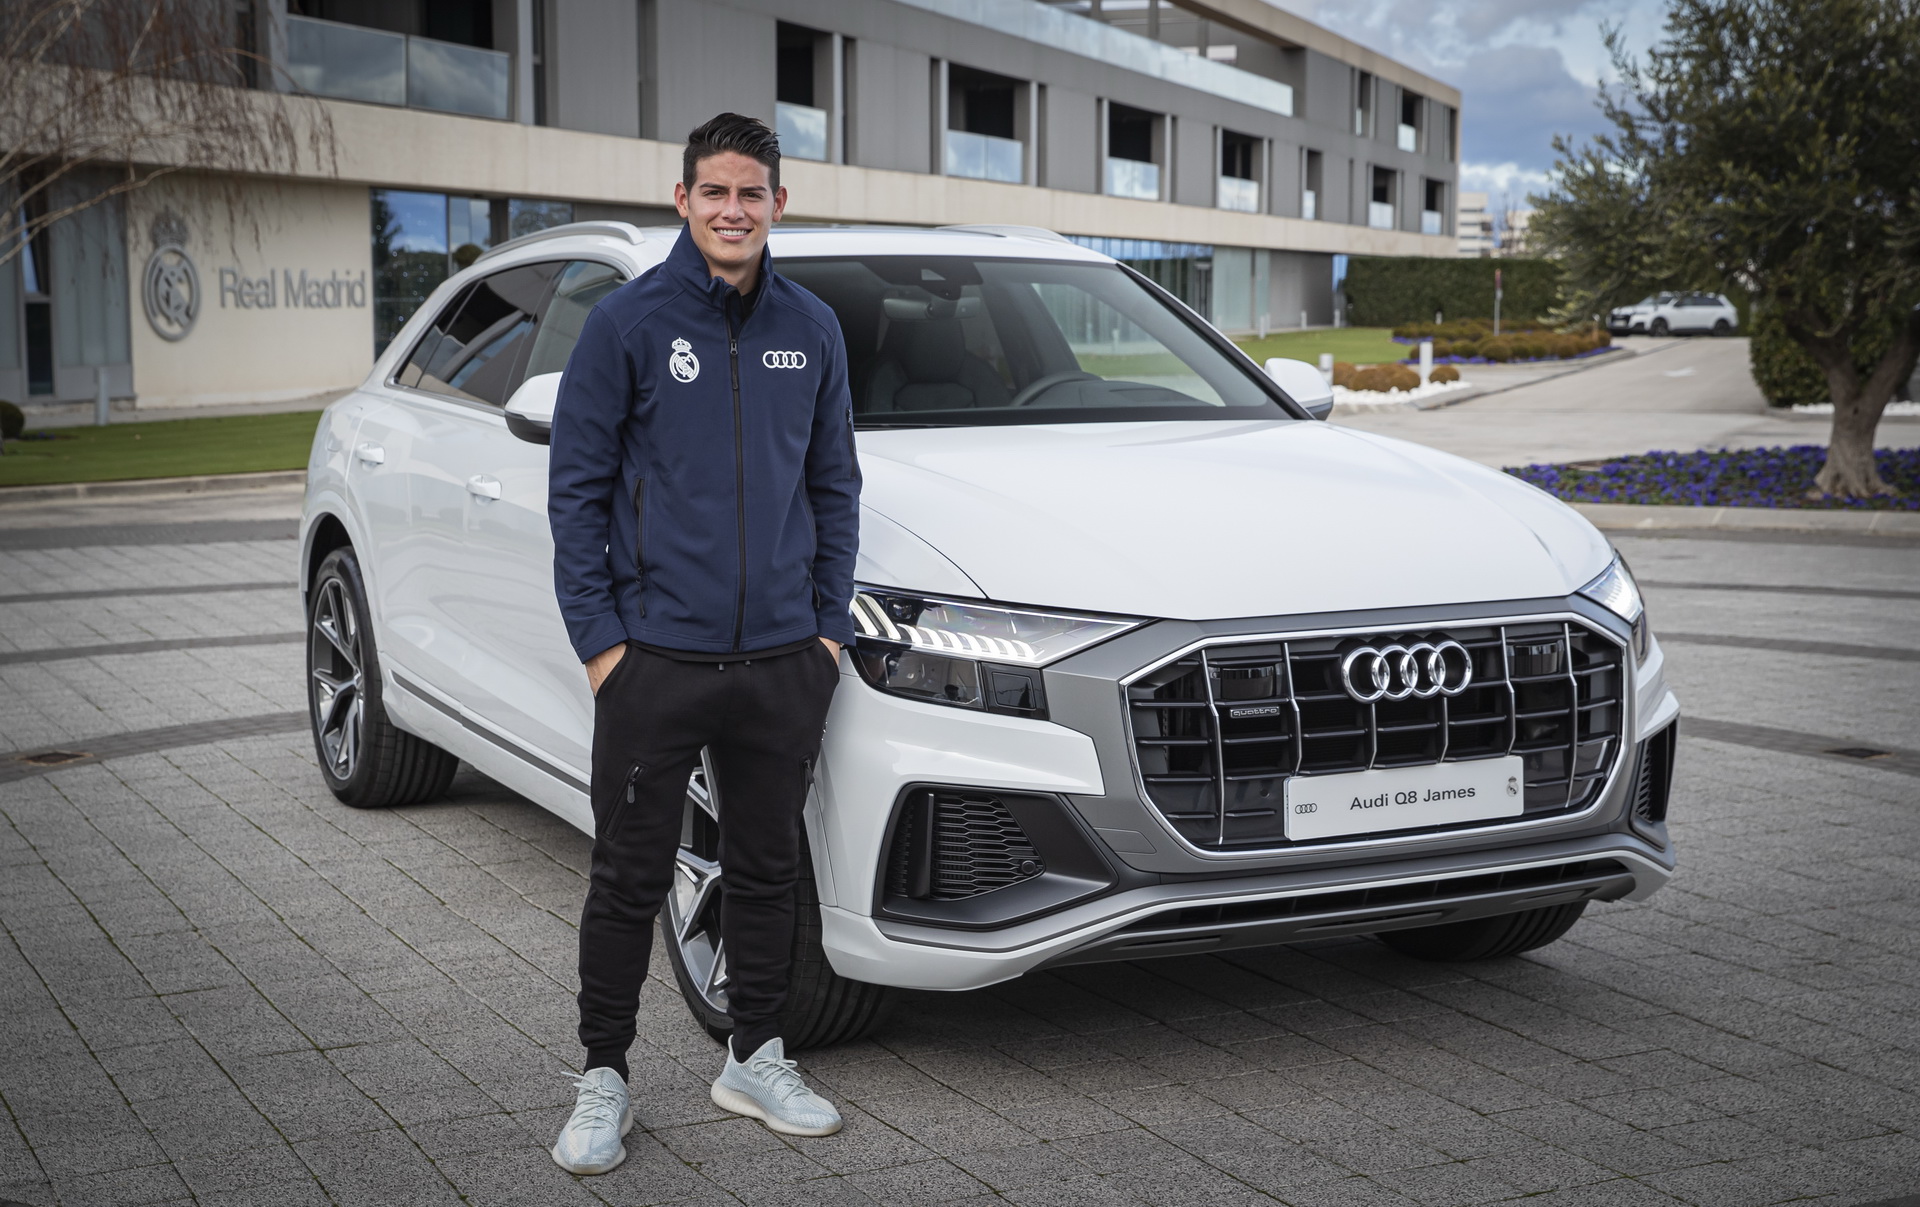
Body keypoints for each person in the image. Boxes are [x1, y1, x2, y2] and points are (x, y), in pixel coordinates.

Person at [545, 112, 861, 1175]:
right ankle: (603, 1077)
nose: (734, 209)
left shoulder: (812, 329)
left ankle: (756, 1054)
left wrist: (822, 636)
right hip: (655, 662)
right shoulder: (627, 326)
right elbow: (576, 494)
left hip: (780, 662)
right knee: (629, 877)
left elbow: (835, 490)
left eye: (753, 192)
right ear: (682, 201)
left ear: (781, 204)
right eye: (715, 192)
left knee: (767, 868)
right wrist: (603, 647)